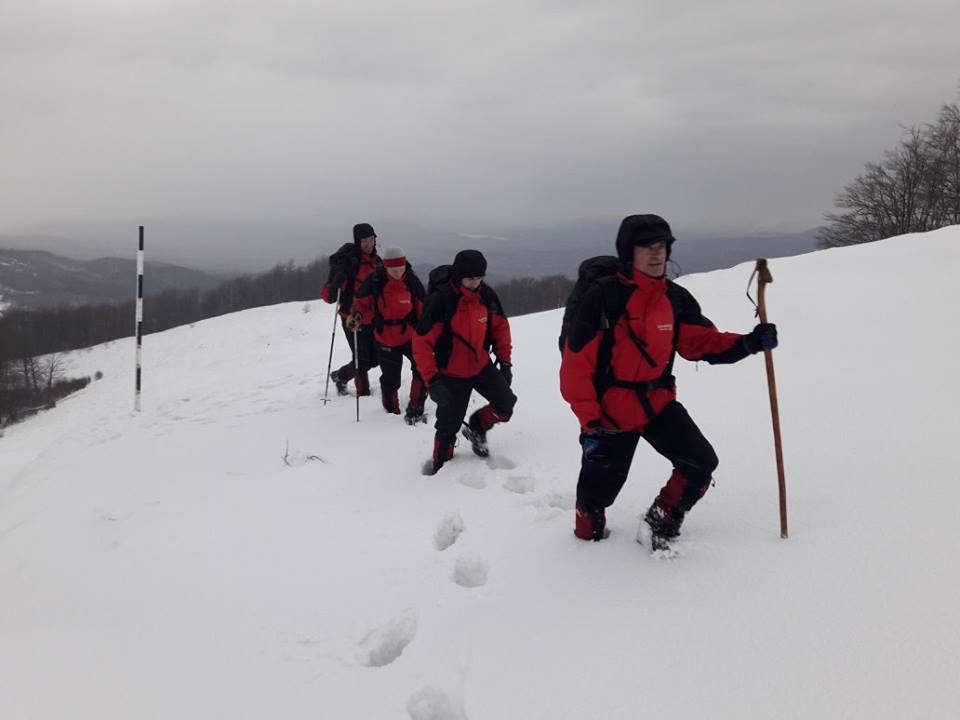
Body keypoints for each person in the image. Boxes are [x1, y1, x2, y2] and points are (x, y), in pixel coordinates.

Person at [559, 214, 779, 550]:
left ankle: (661, 520)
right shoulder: (605, 297)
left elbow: (700, 342)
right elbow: (577, 364)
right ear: (628, 252)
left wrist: (747, 343)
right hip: (610, 414)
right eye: (646, 246)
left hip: (657, 403)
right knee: (597, 493)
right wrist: (590, 424)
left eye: (662, 245)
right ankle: (585, 547)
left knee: (700, 462)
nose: (656, 253)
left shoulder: (674, 299)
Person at [413, 250, 516, 475]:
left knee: (506, 405)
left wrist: (505, 363)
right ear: (459, 276)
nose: (475, 283)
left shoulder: (486, 296)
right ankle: (439, 468)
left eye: (479, 278)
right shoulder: (442, 300)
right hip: (451, 373)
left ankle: (478, 426)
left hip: (480, 366)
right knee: (447, 429)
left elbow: (501, 328)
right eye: (470, 278)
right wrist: (432, 381)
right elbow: (421, 344)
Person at [352, 247, 428, 423]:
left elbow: (422, 309)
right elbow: (360, 303)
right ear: (385, 267)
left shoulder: (412, 282)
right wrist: (358, 315)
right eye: (393, 270)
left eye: (400, 269)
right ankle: (391, 411)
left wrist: (426, 331)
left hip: (409, 335)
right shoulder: (375, 281)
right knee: (391, 378)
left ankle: (416, 408)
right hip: (385, 336)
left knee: (422, 368)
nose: (397, 272)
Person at [321, 223, 381, 396]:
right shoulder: (347, 263)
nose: (369, 244)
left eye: (371, 240)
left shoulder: (377, 262)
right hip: (352, 317)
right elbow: (328, 297)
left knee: (375, 358)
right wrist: (335, 285)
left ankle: (340, 376)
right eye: (364, 241)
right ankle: (363, 395)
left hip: (372, 317)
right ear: (357, 241)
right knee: (361, 360)